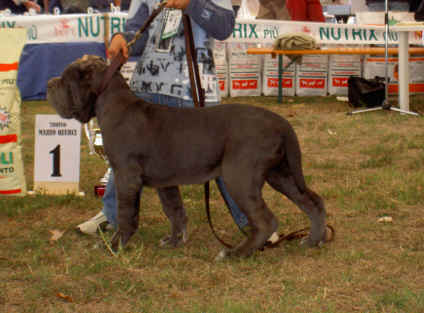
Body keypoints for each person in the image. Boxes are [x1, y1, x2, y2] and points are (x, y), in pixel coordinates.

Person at [77, 0, 279, 243]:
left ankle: (254, 223)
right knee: (126, 158)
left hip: (194, 90)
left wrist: (191, 4)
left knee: (223, 157)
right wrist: (123, 38)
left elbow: (224, 26)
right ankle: (113, 216)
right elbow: (138, 36)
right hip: (147, 90)